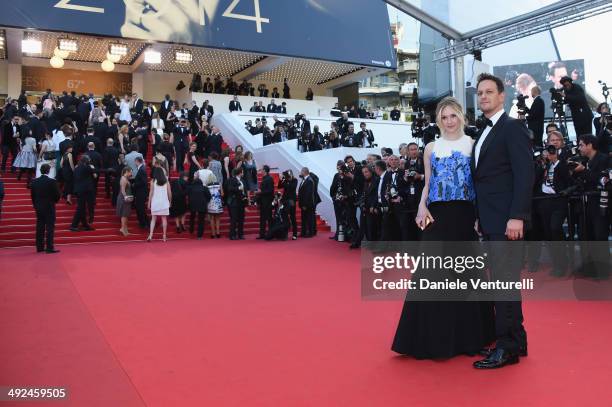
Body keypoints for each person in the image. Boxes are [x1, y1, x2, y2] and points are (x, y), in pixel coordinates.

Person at [392, 97, 495, 359]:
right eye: (444, 117)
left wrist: (478, 216)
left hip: (464, 214)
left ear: (462, 117)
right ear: (439, 121)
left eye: (453, 116)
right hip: (436, 214)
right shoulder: (430, 147)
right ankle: (430, 338)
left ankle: (471, 337)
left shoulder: (473, 145)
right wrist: (420, 207)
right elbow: (428, 182)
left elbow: (479, 184)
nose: (449, 121)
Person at [471, 73, 533, 369]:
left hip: (507, 220)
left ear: (502, 96)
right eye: (479, 93)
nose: (483, 96)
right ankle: (516, 341)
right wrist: (480, 218)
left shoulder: (512, 127)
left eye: (488, 92)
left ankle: (506, 347)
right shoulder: (483, 132)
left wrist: (516, 216)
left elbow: (525, 175)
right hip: (490, 220)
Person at [30, 164, 61, 253]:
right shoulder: (52, 181)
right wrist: (54, 202)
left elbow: (32, 196)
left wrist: (35, 205)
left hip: (39, 207)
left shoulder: (34, 182)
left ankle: (39, 247)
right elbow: (57, 195)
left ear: (40, 170)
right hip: (49, 207)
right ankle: (49, 247)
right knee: (50, 227)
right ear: (48, 171)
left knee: (40, 227)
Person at [69, 155, 97, 231]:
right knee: (80, 208)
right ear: (86, 161)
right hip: (85, 190)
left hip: (78, 190)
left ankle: (85, 225)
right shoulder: (87, 167)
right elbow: (95, 174)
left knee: (82, 208)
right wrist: (93, 168)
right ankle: (73, 225)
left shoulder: (76, 168)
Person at [147, 167, 172, 242]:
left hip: (155, 202)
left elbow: (151, 192)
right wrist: (170, 201)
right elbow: (169, 192)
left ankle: (150, 235)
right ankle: (164, 236)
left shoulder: (153, 181)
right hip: (164, 202)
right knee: (164, 219)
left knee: (153, 219)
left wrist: (149, 202)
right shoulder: (166, 181)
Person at [227, 167, 247, 240]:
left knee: (241, 219)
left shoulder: (243, 181)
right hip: (234, 202)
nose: (243, 173)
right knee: (234, 219)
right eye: (242, 172)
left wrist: (246, 203)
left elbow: (244, 191)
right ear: (239, 173)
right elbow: (229, 189)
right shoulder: (232, 180)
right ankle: (232, 235)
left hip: (241, 202)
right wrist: (238, 188)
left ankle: (240, 234)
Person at [257, 165, 274, 239]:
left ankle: (270, 234)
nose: (261, 171)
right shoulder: (264, 178)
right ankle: (262, 234)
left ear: (265, 171)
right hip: (263, 202)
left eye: (262, 170)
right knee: (262, 219)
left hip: (267, 202)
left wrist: (260, 192)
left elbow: (270, 190)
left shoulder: (269, 179)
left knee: (269, 218)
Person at [116, 167, 133, 237]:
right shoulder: (123, 179)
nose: (131, 173)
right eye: (131, 172)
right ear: (127, 171)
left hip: (126, 198)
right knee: (124, 214)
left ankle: (126, 229)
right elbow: (123, 190)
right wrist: (126, 197)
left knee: (126, 215)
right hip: (123, 198)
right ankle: (123, 228)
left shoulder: (125, 178)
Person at [133, 156, 149, 229]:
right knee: (140, 208)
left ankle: (144, 223)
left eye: (134, 161)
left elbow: (144, 182)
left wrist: (134, 184)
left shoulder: (142, 169)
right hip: (141, 192)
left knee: (140, 208)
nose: (134, 163)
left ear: (137, 161)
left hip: (141, 193)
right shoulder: (141, 168)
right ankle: (145, 223)